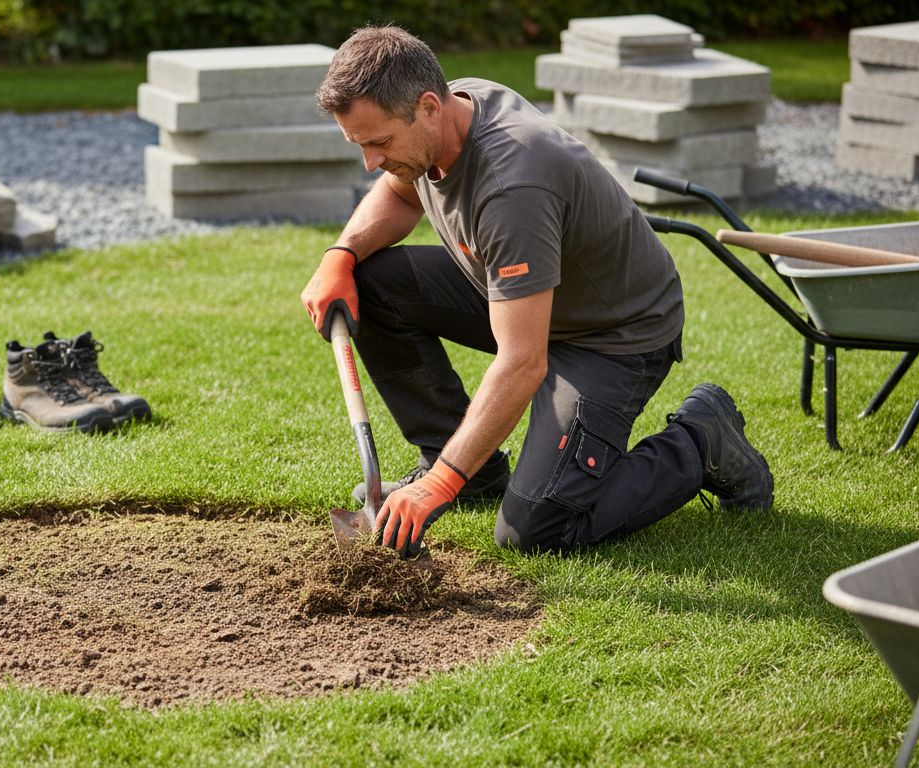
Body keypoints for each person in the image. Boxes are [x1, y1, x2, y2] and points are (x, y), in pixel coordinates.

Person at [301, 25, 774, 557]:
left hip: (612, 334)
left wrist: (439, 487)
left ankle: (701, 440)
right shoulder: (450, 111)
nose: (370, 163)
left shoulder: (512, 185)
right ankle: (467, 467)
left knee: (535, 530)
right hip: (526, 295)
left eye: (380, 143)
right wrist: (341, 255)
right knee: (370, 282)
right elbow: (401, 192)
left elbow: (522, 362)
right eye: (360, 144)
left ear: (429, 107)